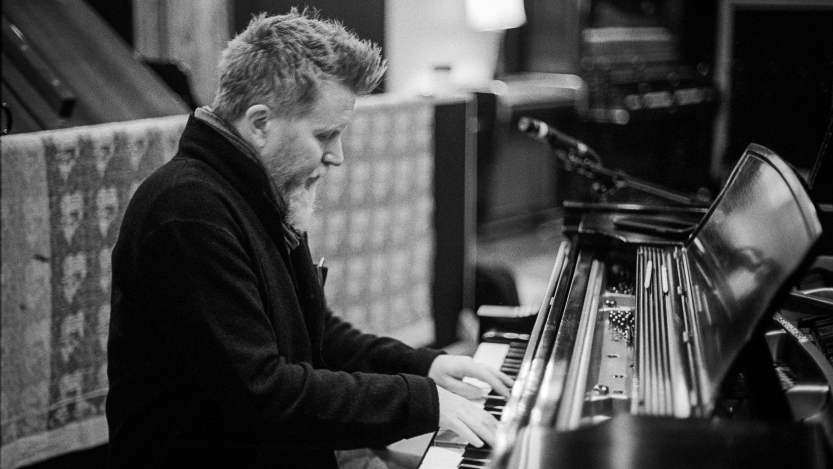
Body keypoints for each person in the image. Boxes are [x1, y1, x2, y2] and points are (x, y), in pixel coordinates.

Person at [106, 9, 512, 469]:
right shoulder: (188, 212)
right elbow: (264, 393)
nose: (337, 156)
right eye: (325, 135)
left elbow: (315, 333)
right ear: (260, 124)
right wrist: (422, 401)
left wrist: (425, 367)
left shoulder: (258, 190)